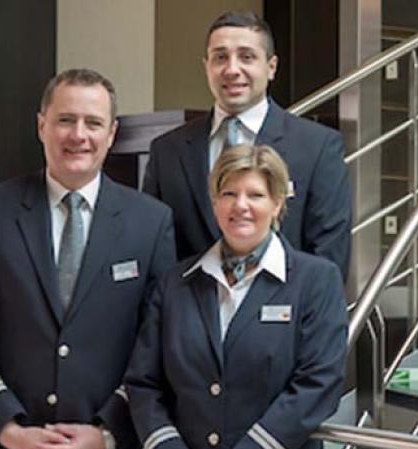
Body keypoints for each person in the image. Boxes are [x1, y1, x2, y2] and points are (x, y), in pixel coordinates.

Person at [0, 68, 176, 449]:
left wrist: (105, 436)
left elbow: (157, 350)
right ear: (41, 126)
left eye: (93, 123)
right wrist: (11, 430)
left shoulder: (151, 223)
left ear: (111, 134)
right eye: (66, 120)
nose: (78, 135)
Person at [125, 144, 347, 449]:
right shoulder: (175, 283)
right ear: (213, 203)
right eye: (229, 193)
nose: (240, 205)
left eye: (255, 194)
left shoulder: (316, 280)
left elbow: (316, 386)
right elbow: (144, 385)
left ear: (277, 204)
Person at [144, 10, 352, 280]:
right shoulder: (168, 151)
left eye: (247, 57)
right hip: (189, 315)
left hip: (282, 315)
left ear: (271, 67)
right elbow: (154, 250)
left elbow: (329, 254)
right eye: (220, 57)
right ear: (206, 66)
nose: (232, 69)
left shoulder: (317, 147)